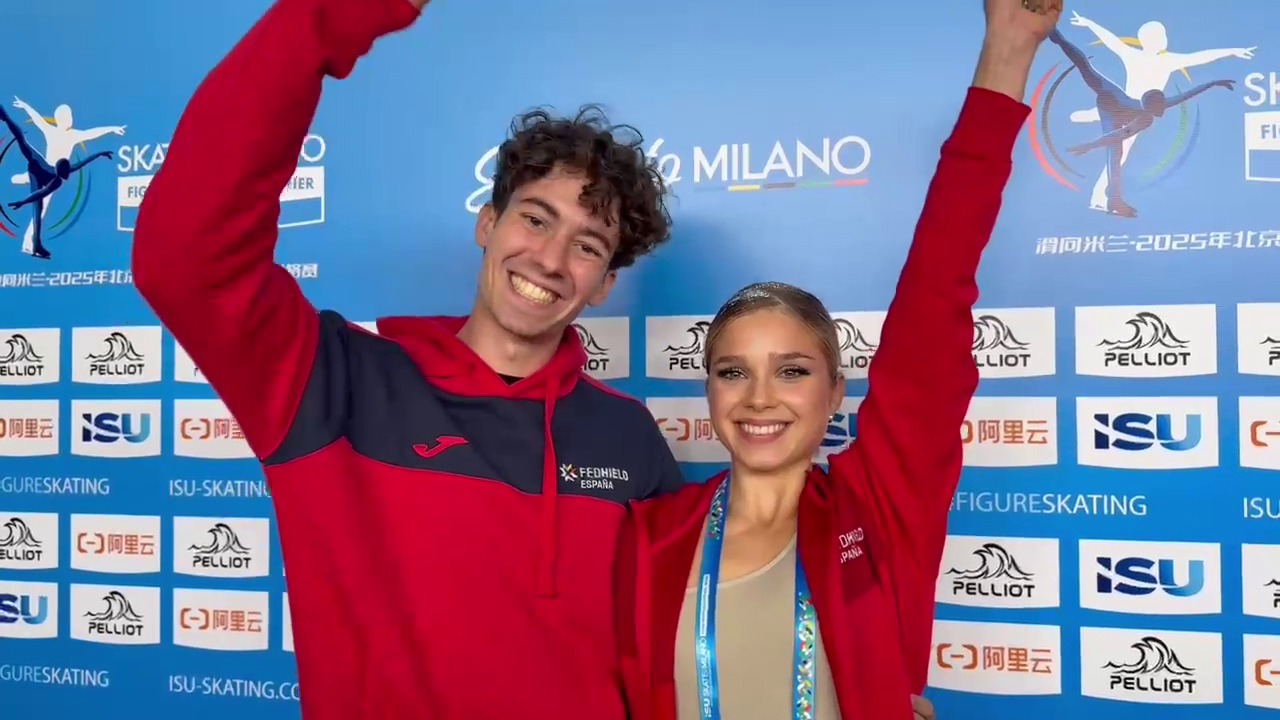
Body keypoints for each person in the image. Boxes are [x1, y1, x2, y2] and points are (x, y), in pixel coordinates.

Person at [130, 1, 941, 719]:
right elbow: (184, 257)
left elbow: (699, 635)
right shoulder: (334, 381)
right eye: (535, 218)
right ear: (487, 224)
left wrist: (865, 690)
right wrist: (332, 15)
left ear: (604, 284)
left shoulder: (628, 441)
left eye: (587, 244)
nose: (550, 259)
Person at [612, 1, 1060, 718]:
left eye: (792, 370)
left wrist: (1008, 50)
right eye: (733, 371)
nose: (760, 396)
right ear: (709, 389)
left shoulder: (878, 510)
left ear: (834, 391)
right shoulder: (650, 537)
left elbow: (936, 287)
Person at [1063, 12, 1254, 213]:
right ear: (1149, 39)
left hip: (1127, 108)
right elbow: (1111, 41)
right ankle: (1098, 196)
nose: (1161, 40)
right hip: (1128, 111)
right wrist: (1089, 23)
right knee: (1119, 153)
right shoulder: (1142, 56)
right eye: (1158, 36)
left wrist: (1232, 51)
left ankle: (1093, 116)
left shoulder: (1163, 59)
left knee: (1116, 145)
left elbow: (1199, 58)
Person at [0, 102, 117, 259]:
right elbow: (37, 120)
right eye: (68, 116)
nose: (71, 119)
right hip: (38, 167)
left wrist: (101, 151)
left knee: (39, 210)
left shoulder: (70, 142)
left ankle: (35, 243)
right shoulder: (55, 134)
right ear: (61, 118)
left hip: (43, 171)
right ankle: (5, 117)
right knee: (22, 141)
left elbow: (88, 143)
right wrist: (23, 202)